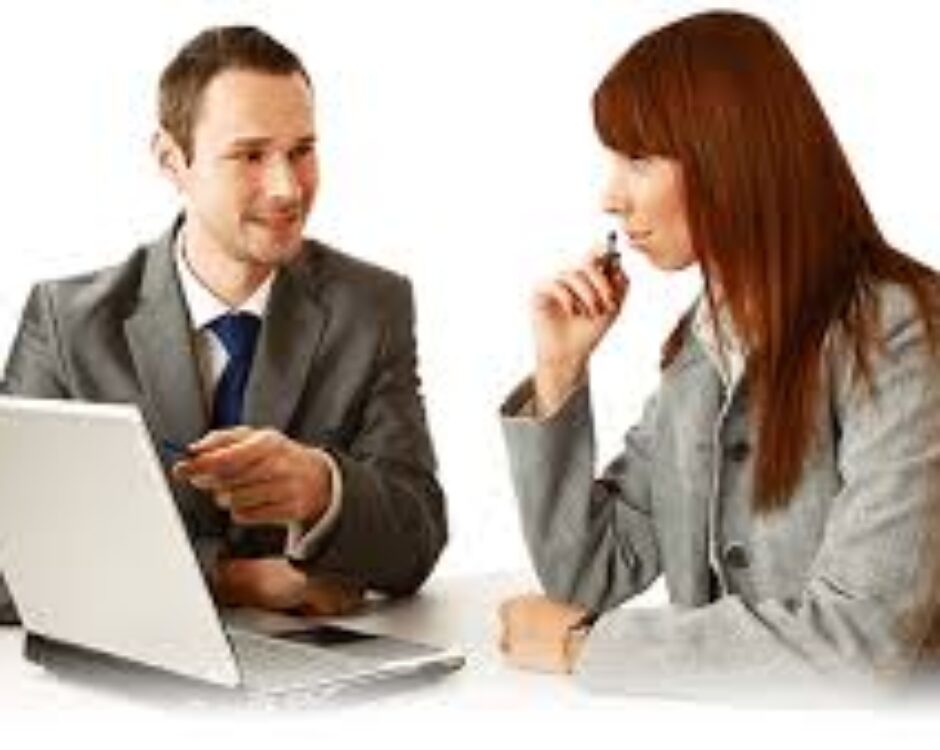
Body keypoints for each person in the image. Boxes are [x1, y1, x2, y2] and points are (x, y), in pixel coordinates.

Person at [498, 10, 940, 696]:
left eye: (639, 160)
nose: (610, 197)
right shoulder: (704, 344)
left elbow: (862, 641)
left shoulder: (898, 326)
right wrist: (560, 371)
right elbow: (591, 574)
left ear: (727, 155)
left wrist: (586, 646)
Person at [0, 25, 447, 626]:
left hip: (316, 688)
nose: (288, 187)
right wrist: (230, 580)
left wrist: (323, 488)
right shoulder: (68, 323)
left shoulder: (371, 306)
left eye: (302, 150)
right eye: (250, 155)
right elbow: (12, 560)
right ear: (171, 161)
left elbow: (416, 542)